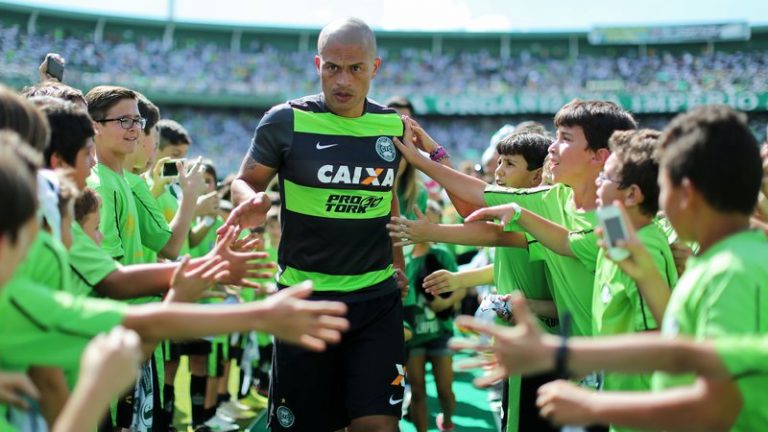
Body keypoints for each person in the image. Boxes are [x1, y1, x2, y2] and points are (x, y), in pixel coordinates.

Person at [224, 17, 407, 432]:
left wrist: (397, 260)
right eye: (332, 67)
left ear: (374, 68)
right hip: (303, 301)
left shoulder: (392, 127)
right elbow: (245, 180)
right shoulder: (284, 120)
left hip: (375, 301)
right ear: (317, 64)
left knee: (378, 425)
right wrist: (250, 201)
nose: (342, 80)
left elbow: (387, 198)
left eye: (355, 68)